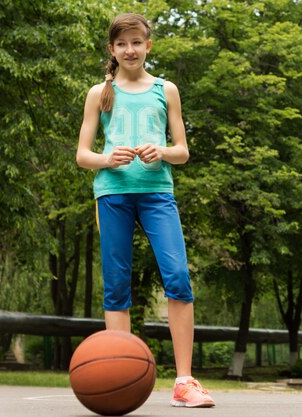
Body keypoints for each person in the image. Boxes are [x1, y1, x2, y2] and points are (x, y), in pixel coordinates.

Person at [76, 13, 215, 408]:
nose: (130, 50)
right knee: (117, 285)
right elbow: (83, 155)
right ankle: (118, 373)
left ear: (148, 45)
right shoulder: (97, 94)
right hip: (112, 195)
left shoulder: (166, 89)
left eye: (137, 42)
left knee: (178, 278)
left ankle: (184, 382)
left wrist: (163, 151)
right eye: (122, 44)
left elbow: (183, 151)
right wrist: (107, 159)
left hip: (157, 192)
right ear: (112, 49)